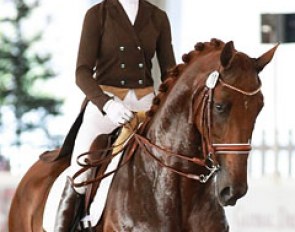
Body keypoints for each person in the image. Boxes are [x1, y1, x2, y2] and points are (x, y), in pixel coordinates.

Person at [54, 0, 176, 231]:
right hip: (106, 101)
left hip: (146, 103)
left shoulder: (157, 16)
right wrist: (106, 104)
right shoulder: (98, 14)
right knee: (80, 171)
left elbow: (170, 71)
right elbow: (82, 73)